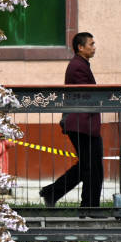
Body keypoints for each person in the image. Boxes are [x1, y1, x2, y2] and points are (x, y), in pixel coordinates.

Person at [40, 32, 103, 210]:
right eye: (91, 44)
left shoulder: (80, 64)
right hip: (82, 124)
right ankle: (89, 207)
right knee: (92, 168)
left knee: (88, 166)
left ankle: (53, 193)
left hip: (83, 124)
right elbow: (87, 94)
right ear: (80, 47)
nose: (94, 47)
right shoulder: (77, 66)